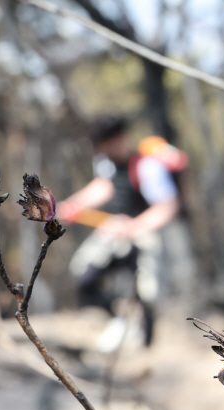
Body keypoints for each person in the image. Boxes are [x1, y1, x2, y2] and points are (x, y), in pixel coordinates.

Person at [57, 115, 187, 351]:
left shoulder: (147, 166)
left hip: (145, 232)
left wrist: (134, 226)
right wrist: (74, 205)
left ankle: (146, 345)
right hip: (112, 229)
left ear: (119, 139)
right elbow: (105, 186)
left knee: (149, 292)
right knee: (83, 275)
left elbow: (167, 206)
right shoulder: (104, 162)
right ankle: (119, 321)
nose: (102, 150)